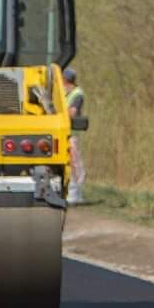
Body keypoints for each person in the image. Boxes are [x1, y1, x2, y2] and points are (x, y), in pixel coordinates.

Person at [63, 66, 86, 205]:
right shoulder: (62, 92)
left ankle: (75, 195)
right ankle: (69, 193)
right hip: (62, 131)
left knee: (74, 163)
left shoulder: (77, 94)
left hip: (71, 133)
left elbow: (72, 112)